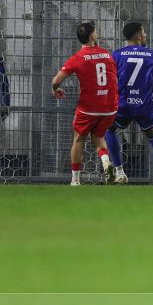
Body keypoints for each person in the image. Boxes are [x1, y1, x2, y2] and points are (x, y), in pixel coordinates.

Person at [107, 22, 153, 186]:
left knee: (110, 130)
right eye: (144, 33)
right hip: (144, 106)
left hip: (123, 105)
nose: (145, 36)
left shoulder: (116, 55)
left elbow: (109, 81)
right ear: (138, 36)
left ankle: (119, 172)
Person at [51, 22, 118, 186]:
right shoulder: (107, 54)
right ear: (93, 36)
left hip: (89, 107)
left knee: (79, 139)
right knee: (98, 136)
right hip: (110, 106)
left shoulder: (77, 58)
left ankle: (75, 180)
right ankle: (105, 161)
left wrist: (55, 88)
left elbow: (56, 80)